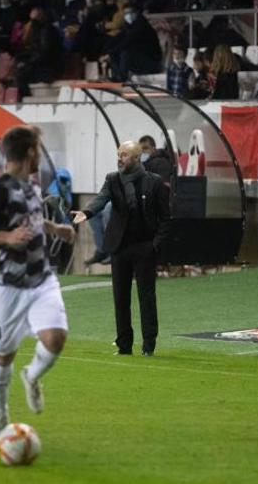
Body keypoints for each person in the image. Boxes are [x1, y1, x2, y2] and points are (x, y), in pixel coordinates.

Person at [0, 125, 76, 440]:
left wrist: (55, 228)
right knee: (4, 355)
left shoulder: (31, 185)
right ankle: (0, 418)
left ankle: (32, 375)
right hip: (8, 287)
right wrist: (6, 237)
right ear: (29, 152)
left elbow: (32, 219)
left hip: (41, 279)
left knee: (55, 339)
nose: (40, 155)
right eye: (38, 149)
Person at [72, 140, 171, 356]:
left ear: (137, 159)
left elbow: (166, 219)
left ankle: (148, 344)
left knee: (146, 297)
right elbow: (101, 199)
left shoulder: (154, 183)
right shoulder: (113, 179)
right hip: (119, 246)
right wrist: (87, 212)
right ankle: (124, 345)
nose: (119, 158)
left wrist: (155, 245)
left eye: (124, 155)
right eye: (118, 154)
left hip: (145, 246)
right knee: (120, 297)